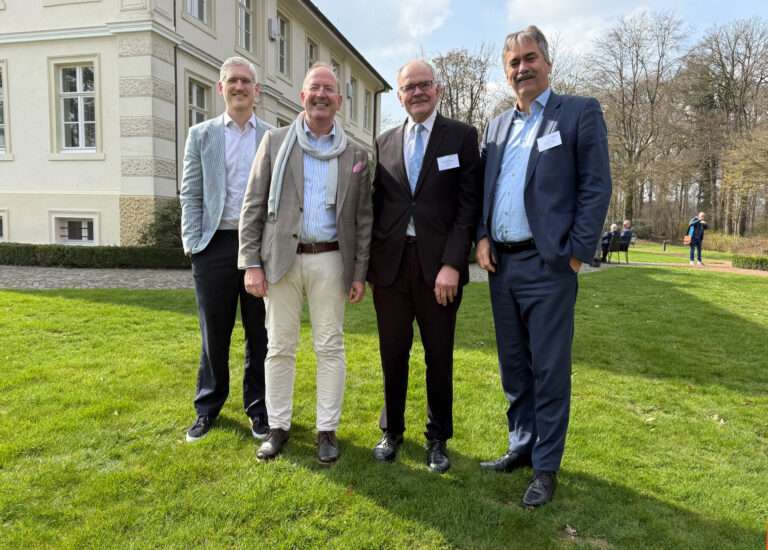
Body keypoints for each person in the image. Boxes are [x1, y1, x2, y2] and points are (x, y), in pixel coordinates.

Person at [475, 26, 611, 507]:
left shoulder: (577, 113)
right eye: (513, 63)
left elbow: (596, 187)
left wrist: (576, 252)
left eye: (529, 58)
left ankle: (546, 467)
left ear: (547, 62)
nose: (521, 69)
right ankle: (521, 445)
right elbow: (483, 192)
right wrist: (482, 236)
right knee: (514, 367)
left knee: (549, 369)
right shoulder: (495, 127)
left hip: (549, 265)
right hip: (502, 268)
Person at [239, 62, 372, 464]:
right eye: (315, 88)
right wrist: (251, 263)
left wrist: (360, 273)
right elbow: (253, 206)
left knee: (330, 347)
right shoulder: (276, 143)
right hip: (280, 261)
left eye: (329, 90)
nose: (321, 95)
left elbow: (364, 219)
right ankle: (278, 426)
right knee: (279, 347)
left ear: (339, 101)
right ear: (302, 96)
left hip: (331, 260)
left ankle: (326, 430)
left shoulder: (356, 154)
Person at [367, 59, 479, 473]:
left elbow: (468, 206)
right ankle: (391, 430)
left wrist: (453, 264)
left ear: (438, 90)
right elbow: (376, 206)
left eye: (424, 85)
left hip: (439, 271)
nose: (417, 92)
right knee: (392, 353)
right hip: (391, 268)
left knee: (438, 356)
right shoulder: (384, 142)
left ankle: (437, 439)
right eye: (409, 87)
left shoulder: (462, 137)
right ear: (399, 96)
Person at [180, 57, 270, 443]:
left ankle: (259, 410)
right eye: (232, 80)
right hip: (214, 245)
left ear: (257, 91)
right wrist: (193, 245)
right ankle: (208, 407)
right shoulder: (201, 135)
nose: (239, 87)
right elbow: (191, 192)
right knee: (213, 333)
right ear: (221, 88)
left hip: (260, 248)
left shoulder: (272, 135)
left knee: (260, 335)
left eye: (246, 81)